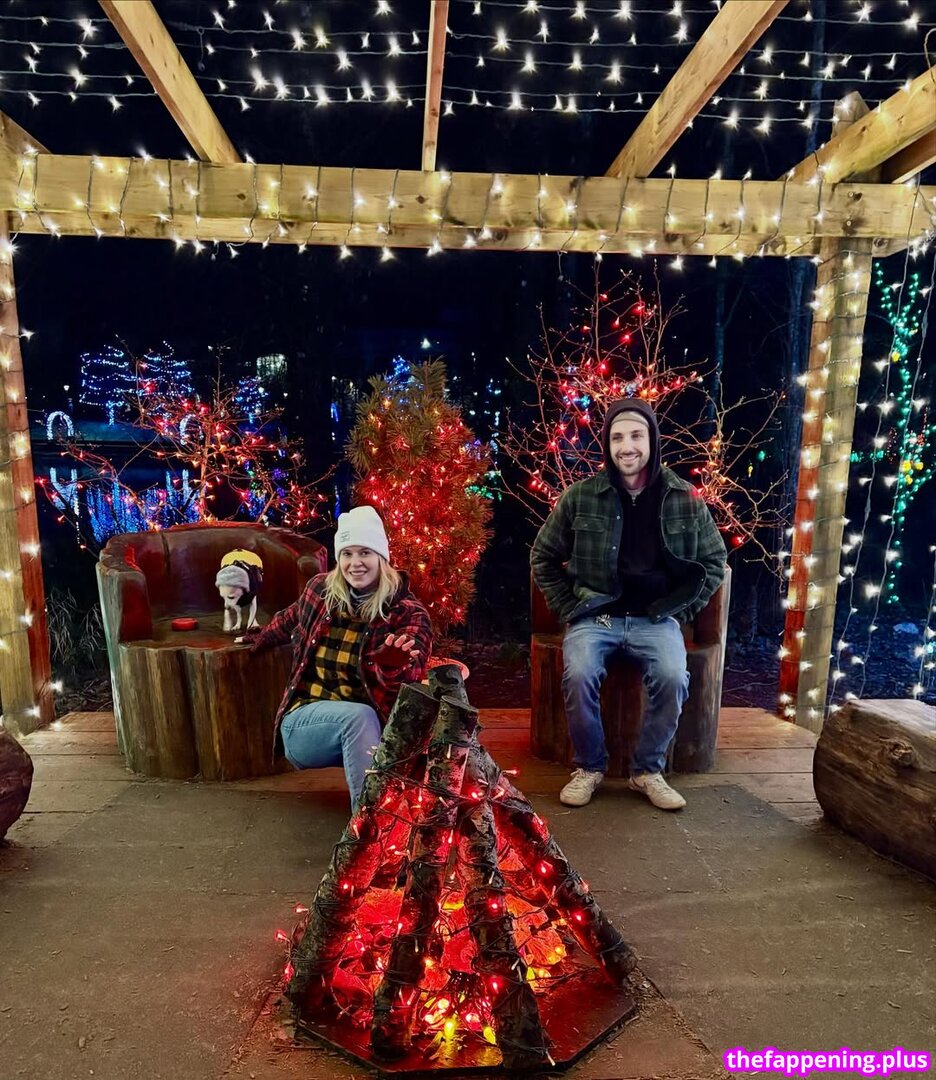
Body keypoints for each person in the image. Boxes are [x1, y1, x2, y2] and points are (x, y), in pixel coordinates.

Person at [531, 399, 727, 811]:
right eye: (617, 437)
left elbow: (714, 561)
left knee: (673, 676)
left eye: (636, 435)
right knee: (579, 673)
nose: (627, 446)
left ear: (652, 440)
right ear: (607, 444)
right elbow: (542, 557)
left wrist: (682, 610)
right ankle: (589, 766)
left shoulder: (684, 497)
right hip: (595, 615)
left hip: (656, 618)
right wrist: (568, 607)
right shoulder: (581, 496)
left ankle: (647, 771)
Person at [244, 505, 432, 812]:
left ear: (381, 557)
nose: (355, 563)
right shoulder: (320, 591)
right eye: (347, 554)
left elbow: (413, 674)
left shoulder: (408, 614)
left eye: (365, 552)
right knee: (358, 717)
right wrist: (260, 636)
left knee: (368, 722)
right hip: (305, 723)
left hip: (373, 734)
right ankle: (367, 824)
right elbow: (289, 618)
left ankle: (389, 814)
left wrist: (392, 668)